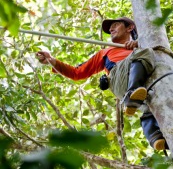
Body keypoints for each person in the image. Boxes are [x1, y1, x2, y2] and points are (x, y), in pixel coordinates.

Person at [36, 17, 168, 150]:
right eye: (110, 28)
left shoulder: (141, 45)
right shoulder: (106, 52)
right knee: (144, 52)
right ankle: (131, 94)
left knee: (150, 107)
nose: (111, 29)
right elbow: (77, 73)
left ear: (129, 28)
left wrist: (138, 43)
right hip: (121, 80)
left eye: (115, 25)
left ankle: (155, 137)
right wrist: (51, 60)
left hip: (143, 87)